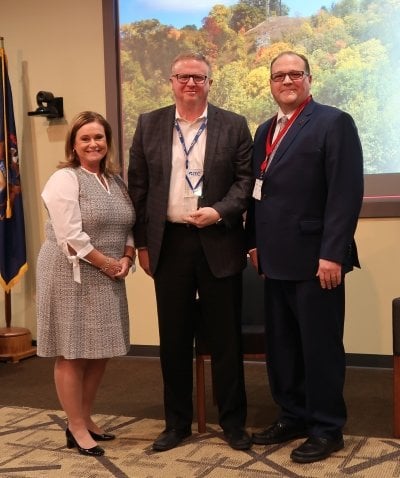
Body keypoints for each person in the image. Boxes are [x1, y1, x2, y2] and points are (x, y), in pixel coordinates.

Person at [128, 52, 253, 451]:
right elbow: (139, 189)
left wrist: (219, 211)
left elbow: (244, 181)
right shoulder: (149, 124)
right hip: (170, 244)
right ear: (171, 81)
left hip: (218, 239)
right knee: (175, 339)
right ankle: (176, 423)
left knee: (226, 339)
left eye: (198, 77)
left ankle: (233, 423)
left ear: (209, 83)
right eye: (183, 77)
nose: (191, 84)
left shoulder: (233, 125)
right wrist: (143, 244)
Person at [245, 51, 363, 463]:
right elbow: (258, 192)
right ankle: (291, 415)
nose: (287, 80)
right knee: (283, 348)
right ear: (271, 83)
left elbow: (345, 194)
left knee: (320, 348)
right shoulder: (264, 129)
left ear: (309, 79)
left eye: (296, 73)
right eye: (279, 75)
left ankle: (327, 428)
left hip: (317, 262)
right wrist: (254, 243)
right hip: (274, 260)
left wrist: (333, 254)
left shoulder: (334, 122)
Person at [36, 111, 136, 457]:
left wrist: (126, 256)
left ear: (107, 142)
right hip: (70, 272)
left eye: (99, 137)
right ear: (74, 145)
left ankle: (84, 417)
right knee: (73, 352)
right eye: (85, 139)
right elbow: (71, 236)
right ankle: (75, 426)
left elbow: (128, 223)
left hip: (108, 272)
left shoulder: (115, 180)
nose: (93, 144)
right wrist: (109, 264)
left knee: (101, 351)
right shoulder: (65, 178)